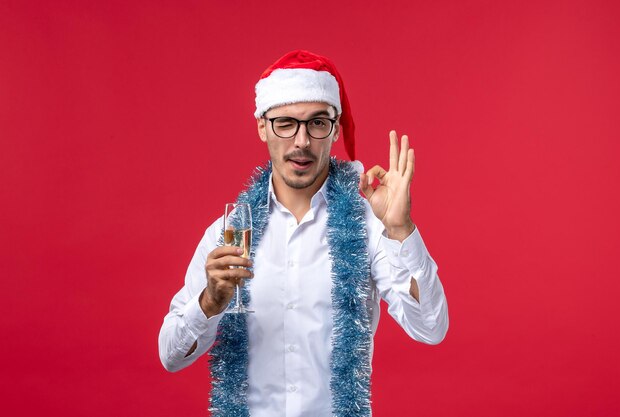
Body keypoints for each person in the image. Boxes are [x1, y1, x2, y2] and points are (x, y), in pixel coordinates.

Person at [158, 50, 449, 417]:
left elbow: (431, 328)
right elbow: (170, 356)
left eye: (316, 123)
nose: (302, 141)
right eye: (285, 123)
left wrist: (400, 229)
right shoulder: (229, 234)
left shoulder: (367, 226)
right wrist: (209, 303)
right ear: (262, 126)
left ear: (335, 127)